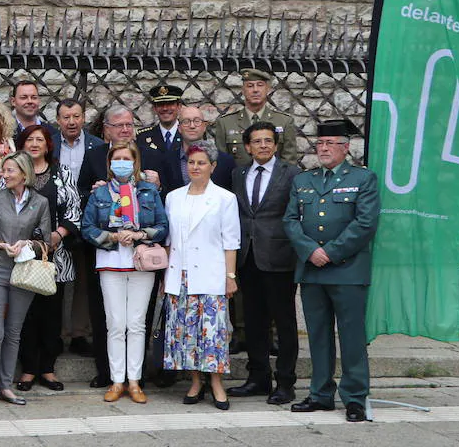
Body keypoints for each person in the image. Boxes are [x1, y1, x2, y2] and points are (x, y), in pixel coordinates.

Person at [284, 118, 380, 423]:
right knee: (318, 336)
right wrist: (311, 251)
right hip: (312, 269)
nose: (323, 148)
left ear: (345, 147)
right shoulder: (303, 180)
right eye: (320, 143)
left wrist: (331, 252)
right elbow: (290, 221)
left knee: (352, 336)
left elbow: (365, 224)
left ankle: (354, 397)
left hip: (348, 270)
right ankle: (321, 393)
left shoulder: (363, 179)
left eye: (330, 143)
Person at [80, 141, 169, 404]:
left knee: (137, 323)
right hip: (110, 262)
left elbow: (163, 226)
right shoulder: (100, 194)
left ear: (135, 162)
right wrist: (113, 236)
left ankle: (135, 381)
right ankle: (117, 380)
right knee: (116, 324)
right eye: (116, 158)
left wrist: (140, 234)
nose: (121, 163)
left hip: (142, 263)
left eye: (126, 159)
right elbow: (87, 228)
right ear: (110, 164)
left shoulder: (149, 191)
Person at [227, 121, 302, 405]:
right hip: (248, 257)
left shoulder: (291, 173)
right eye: (257, 141)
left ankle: (285, 382)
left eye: (268, 141)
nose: (263, 146)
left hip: (280, 259)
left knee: (283, 323)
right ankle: (258, 377)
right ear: (247, 146)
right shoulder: (238, 173)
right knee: (254, 322)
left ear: (275, 144)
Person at [162, 142, 240, 411]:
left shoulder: (224, 199)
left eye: (201, 163)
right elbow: (169, 241)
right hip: (179, 274)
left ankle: (216, 382)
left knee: (212, 333)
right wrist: (165, 276)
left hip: (210, 273)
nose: (195, 167)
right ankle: (195, 381)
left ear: (213, 166)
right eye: (191, 162)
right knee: (184, 333)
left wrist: (230, 275)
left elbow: (231, 241)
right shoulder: (173, 197)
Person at [0, 152, 50, 410]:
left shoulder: (40, 202)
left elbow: (47, 242)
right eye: (3, 170)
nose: (4, 175)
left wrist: (28, 243)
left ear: (24, 174)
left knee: (14, 332)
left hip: (23, 271)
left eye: (9, 170)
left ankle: (5, 386)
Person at [13, 124, 81, 392]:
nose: (34, 143)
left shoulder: (62, 174)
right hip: (23, 256)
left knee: (52, 314)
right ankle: (28, 369)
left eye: (39, 139)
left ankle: (48, 369)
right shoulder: (16, 174)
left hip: (56, 255)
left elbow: (74, 209)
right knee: (26, 314)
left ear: (48, 144)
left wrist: (59, 234)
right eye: (29, 139)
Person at [51, 98, 101, 358]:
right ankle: (57, 334)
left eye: (76, 116)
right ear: (58, 120)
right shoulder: (48, 142)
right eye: (66, 117)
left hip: (87, 220)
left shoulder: (98, 145)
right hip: (54, 219)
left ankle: (80, 333)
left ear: (84, 118)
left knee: (83, 278)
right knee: (55, 276)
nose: (71, 122)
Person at [214, 68, 301, 167]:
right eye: (250, 86)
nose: (255, 90)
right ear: (243, 91)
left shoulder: (284, 122)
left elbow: (288, 164)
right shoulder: (226, 123)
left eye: (260, 85)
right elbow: (222, 163)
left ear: (267, 89)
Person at [136, 84, 184, 192]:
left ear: (179, 106)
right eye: (160, 104)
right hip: (153, 199)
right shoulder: (143, 137)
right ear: (154, 108)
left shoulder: (187, 134)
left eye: (170, 104)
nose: (165, 108)